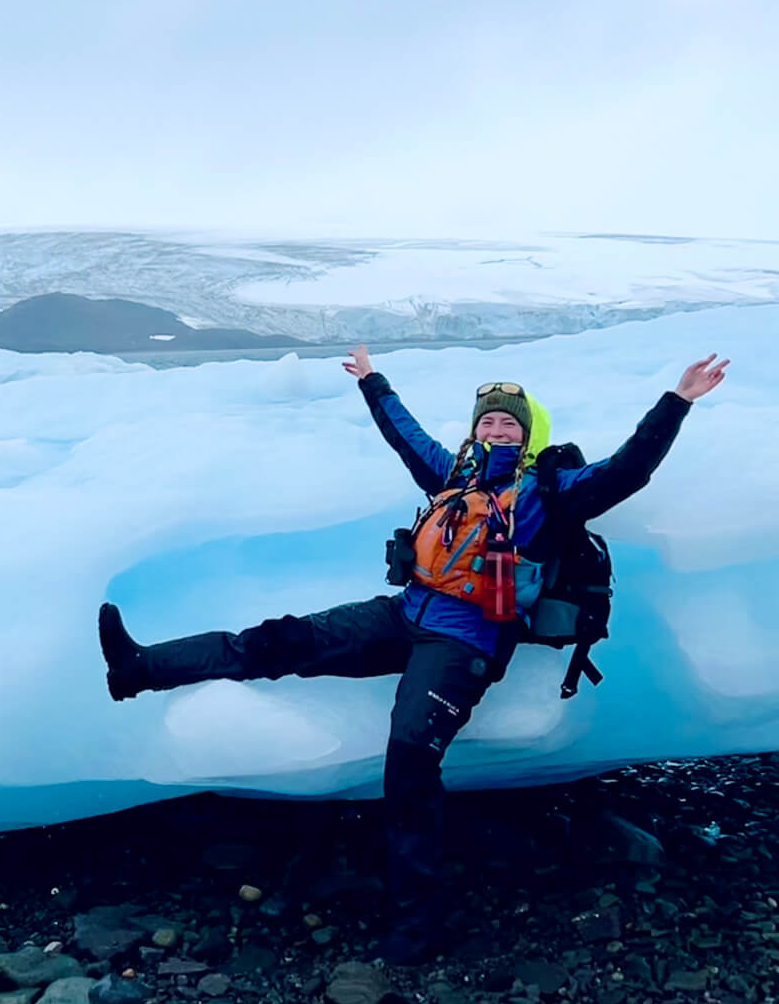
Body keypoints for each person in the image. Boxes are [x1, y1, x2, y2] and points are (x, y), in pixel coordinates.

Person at [98, 345, 728, 963]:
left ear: (529, 433)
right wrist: (374, 382)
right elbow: (406, 435)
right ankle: (138, 668)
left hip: (466, 643)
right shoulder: (453, 476)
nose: (497, 427)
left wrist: (677, 401)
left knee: (410, 759)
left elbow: (629, 468)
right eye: (487, 419)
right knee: (274, 640)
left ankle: (420, 916)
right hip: (405, 613)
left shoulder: (549, 492)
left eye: (510, 421)